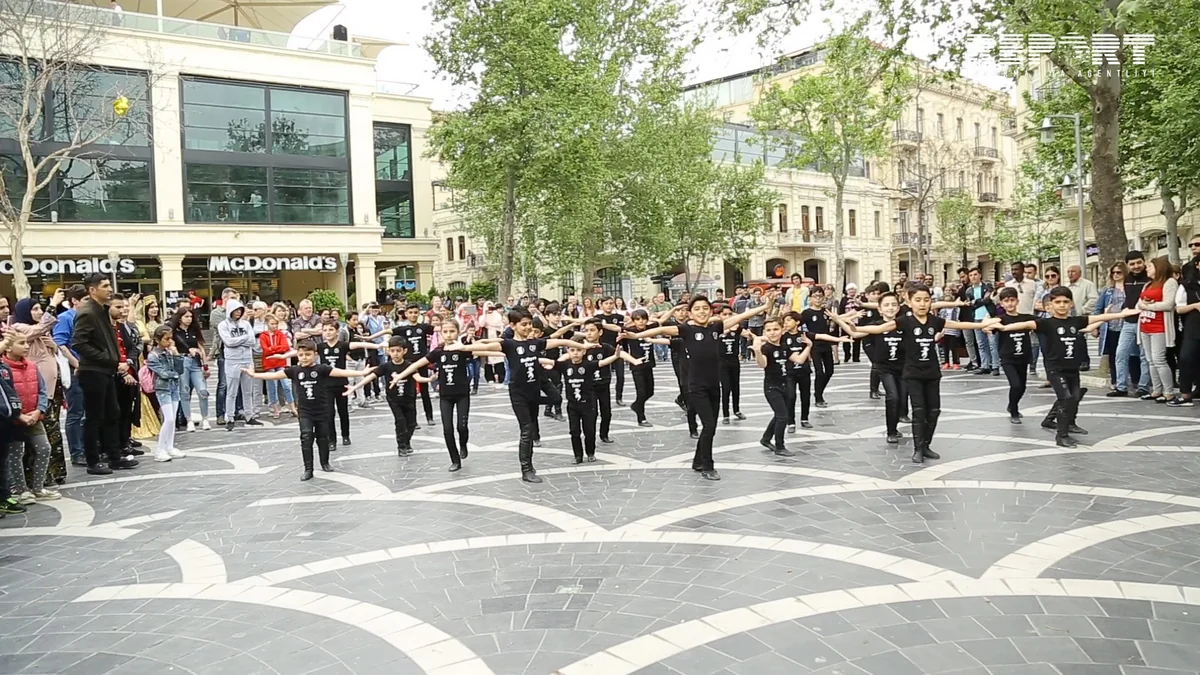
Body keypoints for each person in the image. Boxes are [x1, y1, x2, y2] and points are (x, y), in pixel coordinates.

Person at [624, 293, 778, 481]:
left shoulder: (716, 327)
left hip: (714, 384)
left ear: (710, 311)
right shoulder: (686, 330)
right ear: (690, 313)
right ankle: (707, 465)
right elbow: (660, 329)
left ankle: (697, 460)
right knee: (709, 426)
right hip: (696, 386)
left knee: (710, 427)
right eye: (696, 309)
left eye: (705, 308)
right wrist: (636, 335)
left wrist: (765, 306)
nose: (701, 312)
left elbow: (739, 317)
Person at [849, 285, 1000, 463]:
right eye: (918, 300)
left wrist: (984, 324)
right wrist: (856, 329)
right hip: (912, 373)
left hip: (932, 373)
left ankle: (927, 445)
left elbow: (958, 324)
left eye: (926, 300)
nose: (922, 304)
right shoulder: (904, 321)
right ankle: (918, 448)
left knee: (934, 411)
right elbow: (880, 328)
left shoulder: (934, 321)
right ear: (909, 302)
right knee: (919, 411)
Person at [993, 288, 1137, 447]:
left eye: (1065, 302)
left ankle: (1063, 423)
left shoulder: (1075, 321)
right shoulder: (1045, 323)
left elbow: (1098, 317)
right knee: (1066, 399)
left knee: (1074, 398)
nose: (1062, 305)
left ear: (1071, 304)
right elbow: (1025, 323)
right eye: (1057, 302)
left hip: (1072, 368)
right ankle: (1061, 436)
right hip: (1055, 369)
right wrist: (1004, 328)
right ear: (1051, 304)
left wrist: (1121, 314)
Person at [482, 309, 591, 483]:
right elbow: (485, 347)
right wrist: (462, 347)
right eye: (523, 324)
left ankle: (530, 466)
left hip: (533, 391)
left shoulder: (535, 343)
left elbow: (559, 340)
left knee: (532, 428)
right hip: (518, 394)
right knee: (526, 430)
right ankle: (526, 470)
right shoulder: (508, 344)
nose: (527, 327)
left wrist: (582, 346)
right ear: (513, 326)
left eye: (529, 324)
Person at [242, 345, 372, 481]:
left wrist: (361, 373)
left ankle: (325, 462)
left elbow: (340, 372)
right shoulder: (294, 370)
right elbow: (274, 375)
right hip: (305, 411)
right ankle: (308, 469)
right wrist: (254, 374)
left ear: (315, 355)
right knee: (306, 436)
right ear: (297, 355)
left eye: (308, 354)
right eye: (301, 355)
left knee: (323, 437)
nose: (304, 358)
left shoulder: (321, 369)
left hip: (321, 409)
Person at [71, 274, 137, 475]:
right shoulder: (88, 312)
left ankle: (114, 457)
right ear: (92, 289)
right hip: (93, 371)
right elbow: (78, 343)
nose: (109, 289)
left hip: (106, 370)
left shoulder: (102, 311)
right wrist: (106, 358)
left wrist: (114, 359)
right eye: (105, 286)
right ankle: (93, 460)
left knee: (112, 413)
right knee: (94, 417)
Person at [10, 293, 65, 485]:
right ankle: (37, 478)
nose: (39, 312)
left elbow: (51, 349)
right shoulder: (20, 328)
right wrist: (53, 306)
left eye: (40, 309)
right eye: (34, 309)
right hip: (31, 392)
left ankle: (54, 473)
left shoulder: (40, 330)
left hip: (49, 387)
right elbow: (37, 330)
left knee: (52, 432)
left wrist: (54, 346)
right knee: (39, 437)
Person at [2, 333, 60, 503]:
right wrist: (18, 415)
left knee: (44, 448)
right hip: (13, 420)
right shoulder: (4, 369)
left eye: (27, 343)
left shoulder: (32, 366)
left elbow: (42, 391)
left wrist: (38, 410)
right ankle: (21, 490)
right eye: (22, 343)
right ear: (9, 347)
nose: (26, 346)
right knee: (16, 453)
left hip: (33, 417)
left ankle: (38, 487)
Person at [345, 337, 417, 456]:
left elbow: (417, 378)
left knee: (412, 423)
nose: (395, 354)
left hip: (409, 398)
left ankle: (407, 442)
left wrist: (430, 379)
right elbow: (372, 376)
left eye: (398, 351)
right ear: (388, 351)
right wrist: (355, 386)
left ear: (404, 351)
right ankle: (401, 446)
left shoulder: (409, 365)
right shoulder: (386, 366)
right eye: (392, 351)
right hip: (394, 399)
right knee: (400, 421)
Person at [751, 319, 810, 456]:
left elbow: (799, 360)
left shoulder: (784, 347)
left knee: (779, 415)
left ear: (782, 330)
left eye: (776, 329)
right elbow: (762, 364)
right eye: (769, 330)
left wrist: (808, 347)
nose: (773, 333)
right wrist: (757, 352)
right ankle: (779, 446)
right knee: (783, 416)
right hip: (772, 387)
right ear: (764, 332)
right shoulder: (766, 348)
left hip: (785, 385)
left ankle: (766, 439)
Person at [316, 321, 380, 446]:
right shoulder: (320, 347)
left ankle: (346, 435)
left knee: (343, 411)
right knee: (329, 413)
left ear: (337, 332)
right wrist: (281, 356)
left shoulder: (342, 345)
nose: (328, 332)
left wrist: (378, 346)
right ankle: (332, 440)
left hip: (341, 383)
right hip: (326, 385)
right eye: (325, 330)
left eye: (331, 330)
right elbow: (301, 351)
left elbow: (356, 344)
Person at [52, 285, 87, 466]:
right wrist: (76, 364)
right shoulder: (65, 318)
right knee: (76, 412)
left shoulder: (88, 317)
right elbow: (60, 343)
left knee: (88, 412)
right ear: (75, 300)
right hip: (75, 369)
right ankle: (77, 452)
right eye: (85, 300)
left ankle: (88, 448)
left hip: (91, 369)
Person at [1136, 255, 1179, 402]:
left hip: (1160, 326)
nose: (1146, 268)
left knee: (1159, 359)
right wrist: (1144, 305)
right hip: (1144, 325)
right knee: (1150, 360)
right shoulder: (1147, 284)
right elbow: (1139, 304)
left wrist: (1149, 306)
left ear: (1158, 268)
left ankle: (1169, 391)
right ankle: (1156, 389)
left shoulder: (1169, 282)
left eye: (1149, 266)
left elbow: (1169, 304)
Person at [1111, 251, 1152, 397]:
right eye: (1132, 264)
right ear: (1127, 265)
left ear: (1144, 261)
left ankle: (1143, 387)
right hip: (1128, 322)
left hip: (1145, 321)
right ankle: (1121, 387)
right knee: (1120, 353)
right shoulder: (1126, 279)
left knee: (1144, 356)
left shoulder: (1150, 278)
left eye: (1139, 263)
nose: (1136, 266)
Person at [145, 325, 188, 463]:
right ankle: (159, 449)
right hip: (162, 389)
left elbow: (180, 369)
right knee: (168, 418)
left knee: (172, 418)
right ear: (158, 339)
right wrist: (174, 375)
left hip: (174, 387)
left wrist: (176, 354)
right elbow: (162, 373)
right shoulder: (153, 355)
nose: (170, 341)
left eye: (171, 338)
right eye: (166, 339)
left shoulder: (169, 352)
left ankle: (169, 446)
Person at [992, 287, 1035, 422]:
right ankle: (1014, 411)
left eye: (1012, 300)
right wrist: (988, 326)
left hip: (1023, 356)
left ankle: (1012, 405)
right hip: (1007, 358)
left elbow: (1042, 323)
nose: (1010, 303)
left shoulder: (1025, 318)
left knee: (1022, 387)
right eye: (1006, 301)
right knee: (1015, 385)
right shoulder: (1000, 319)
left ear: (1017, 301)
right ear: (1001, 303)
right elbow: (988, 327)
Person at [218, 299, 262, 430]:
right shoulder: (223, 325)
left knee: (248, 391)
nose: (238, 312)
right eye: (235, 310)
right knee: (231, 391)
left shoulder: (246, 324)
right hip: (232, 361)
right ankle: (229, 417)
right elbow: (228, 342)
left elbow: (252, 341)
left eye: (240, 310)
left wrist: (239, 341)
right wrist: (244, 339)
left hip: (247, 360)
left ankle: (249, 416)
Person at [622, 309, 667, 427]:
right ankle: (641, 418)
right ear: (633, 321)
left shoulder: (650, 329)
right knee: (641, 392)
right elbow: (621, 329)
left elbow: (661, 321)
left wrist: (672, 310)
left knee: (650, 391)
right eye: (637, 320)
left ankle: (636, 405)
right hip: (637, 366)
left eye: (643, 319)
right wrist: (628, 323)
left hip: (648, 364)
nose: (641, 322)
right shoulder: (630, 331)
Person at [169, 307, 211, 432]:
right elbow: (172, 347)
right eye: (186, 316)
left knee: (202, 391)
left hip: (195, 362)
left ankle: (205, 418)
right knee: (184, 391)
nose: (189, 319)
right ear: (180, 318)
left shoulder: (194, 330)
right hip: (182, 361)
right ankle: (189, 420)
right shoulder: (174, 332)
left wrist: (205, 365)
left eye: (190, 316)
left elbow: (201, 347)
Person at [1172, 243, 1200, 407]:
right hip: (1193, 326)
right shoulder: (1187, 285)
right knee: (1186, 357)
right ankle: (1185, 393)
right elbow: (1179, 308)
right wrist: (1196, 306)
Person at [259, 314, 296, 418]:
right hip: (269, 363)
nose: (274, 326)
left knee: (286, 385)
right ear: (267, 324)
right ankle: (275, 408)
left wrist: (272, 348)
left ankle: (292, 407)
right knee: (272, 387)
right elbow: (265, 350)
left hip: (280, 362)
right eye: (272, 324)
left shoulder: (280, 334)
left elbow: (285, 347)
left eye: (276, 324)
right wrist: (276, 348)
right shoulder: (263, 335)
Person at [717, 306, 746, 424]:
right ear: (719, 316)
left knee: (736, 387)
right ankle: (725, 414)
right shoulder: (716, 328)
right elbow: (715, 336)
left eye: (730, 314)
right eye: (724, 314)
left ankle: (737, 409)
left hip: (734, 361)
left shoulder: (737, 328)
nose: (727, 317)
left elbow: (748, 335)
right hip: (721, 362)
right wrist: (728, 329)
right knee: (726, 388)